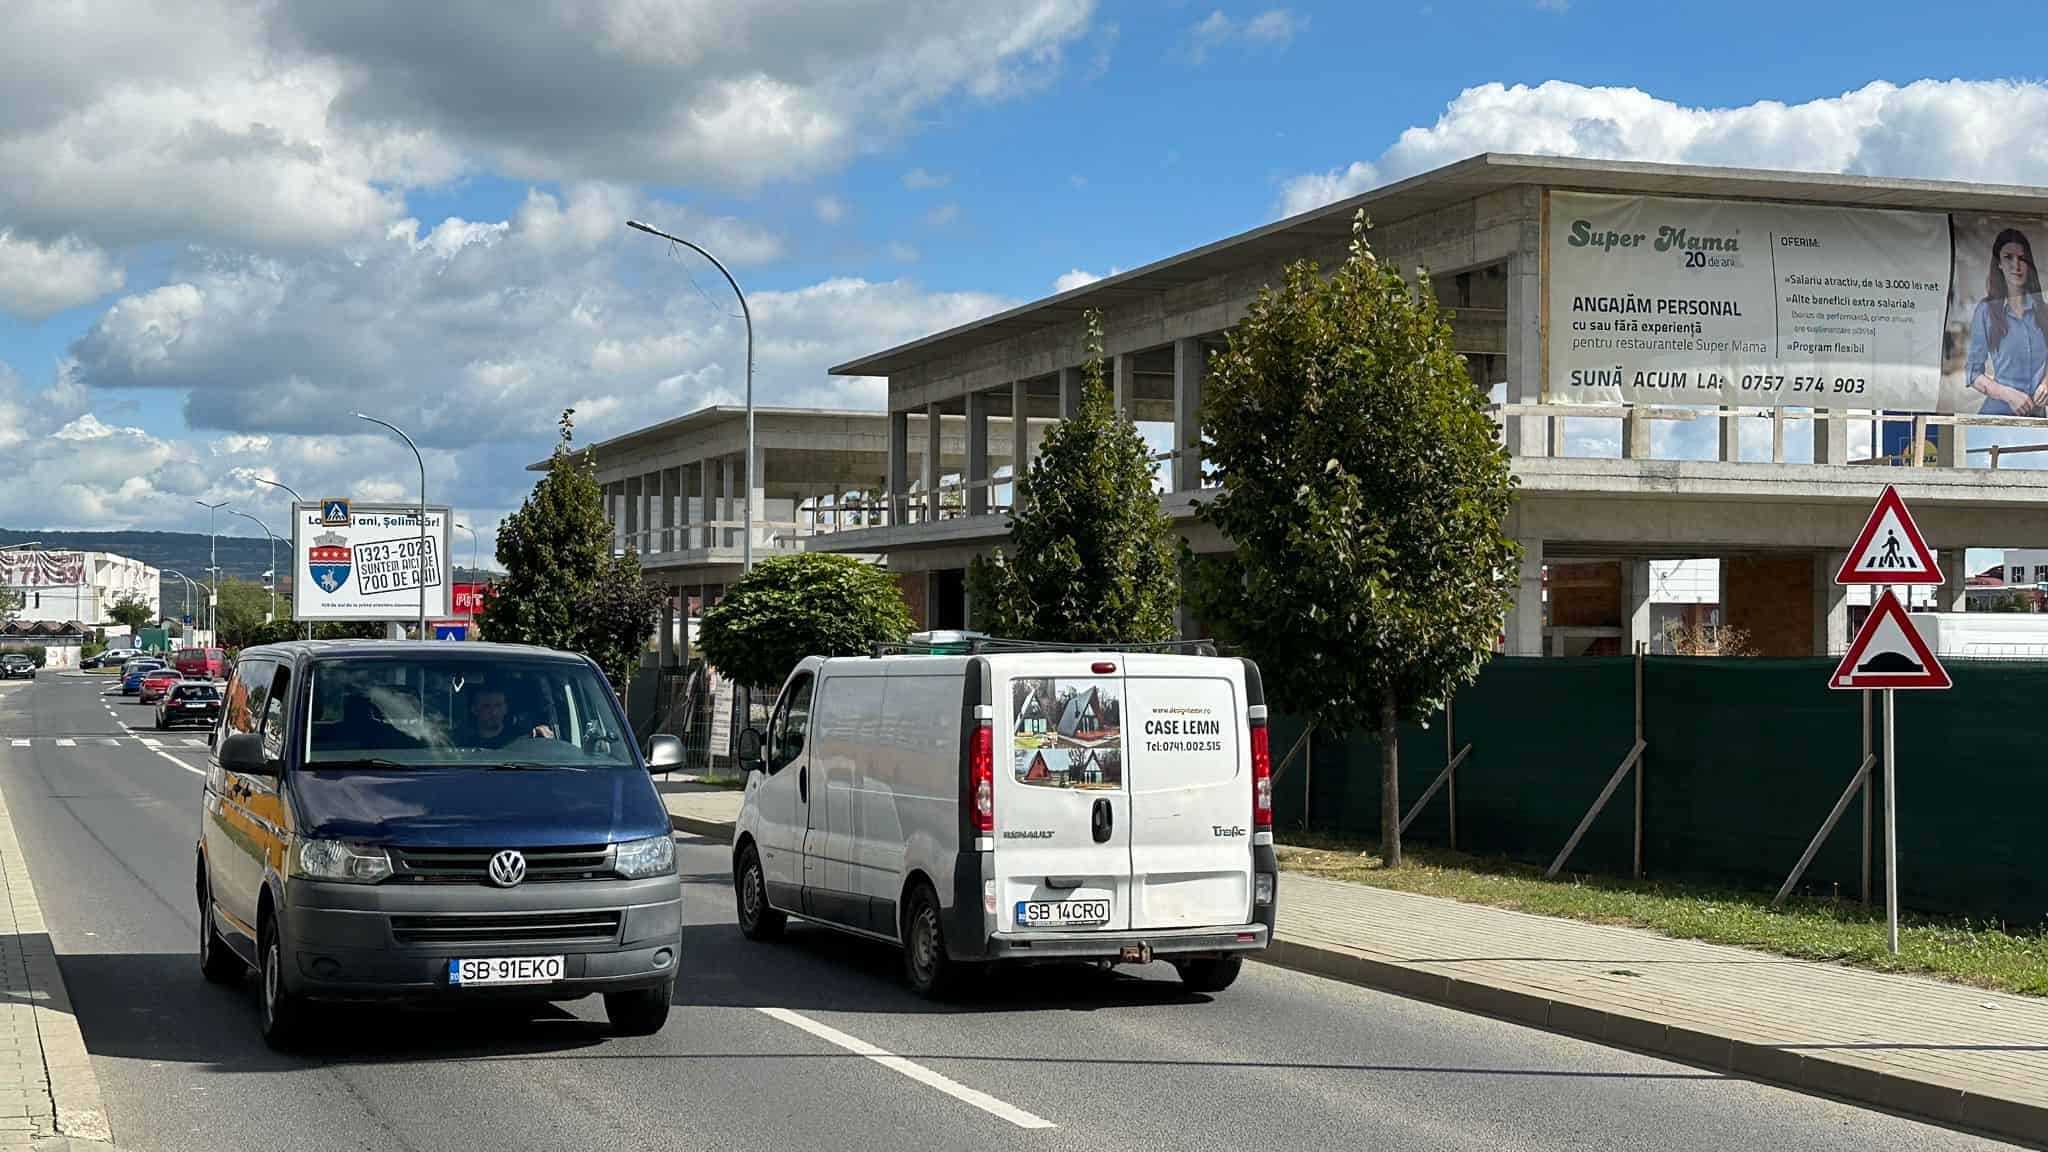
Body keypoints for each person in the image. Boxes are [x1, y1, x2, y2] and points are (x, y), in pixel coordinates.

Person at [1965, 228, 2048, 417]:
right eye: (2008, 257)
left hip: (2038, 420)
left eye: (2022, 258)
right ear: (1999, 264)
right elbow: (1973, 373)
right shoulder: (1986, 311)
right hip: (1997, 417)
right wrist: (2009, 395)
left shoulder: (2045, 312)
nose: (2016, 265)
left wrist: (2046, 383)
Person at [462, 683, 555, 748]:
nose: (494, 712)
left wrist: (541, 737)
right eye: (486, 706)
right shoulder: (462, 743)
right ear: (474, 709)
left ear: (506, 708)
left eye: (498, 705)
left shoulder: (522, 740)